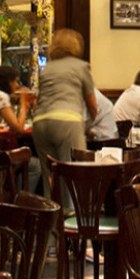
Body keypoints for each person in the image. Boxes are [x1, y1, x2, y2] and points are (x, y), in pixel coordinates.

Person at [32, 29, 97, 201]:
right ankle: (73, 222)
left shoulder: (47, 69)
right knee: (75, 175)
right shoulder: (81, 66)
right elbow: (92, 105)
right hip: (67, 121)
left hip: (40, 123)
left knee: (50, 178)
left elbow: (38, 101)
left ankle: (52, 222)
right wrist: (88, 126)